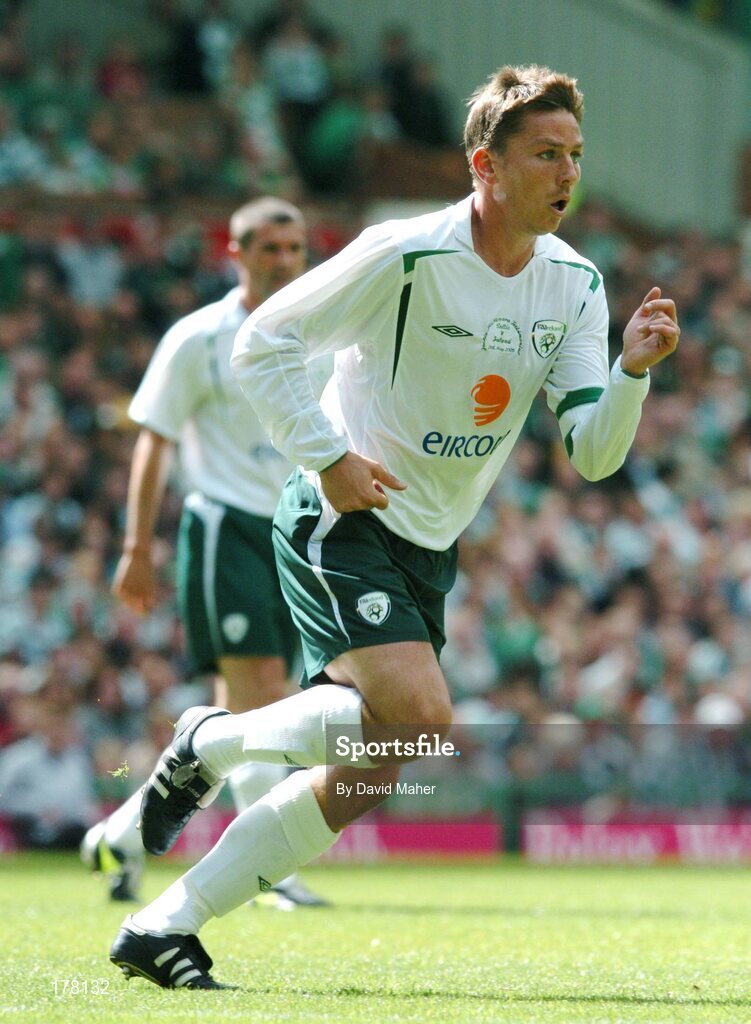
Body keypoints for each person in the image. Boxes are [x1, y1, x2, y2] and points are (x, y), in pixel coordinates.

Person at [109, 64, 680, 988]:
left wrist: (631, 374)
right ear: (483, 165)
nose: (566, 172)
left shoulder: (575, 286)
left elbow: (593, 452)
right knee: (417, 715)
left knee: (374, 762)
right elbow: (265, 341)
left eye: (574, 154)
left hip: (427, 542)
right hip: (338, 512)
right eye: (543, 153)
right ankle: (208, 743)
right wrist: (328, 455)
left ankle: (166, 918)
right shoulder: (404, 253)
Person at [81, 197, 327, 909]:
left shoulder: (320, 332)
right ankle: (265, 864)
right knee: (258, 699)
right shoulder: (199, 337)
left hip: (297, 532)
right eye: (269, 248)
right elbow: (154, 437)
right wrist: (137, 545)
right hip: (225, 527)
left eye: (293, 247)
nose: (283, 260)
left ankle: (123, 832)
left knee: (243, 716)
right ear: (237, 252)